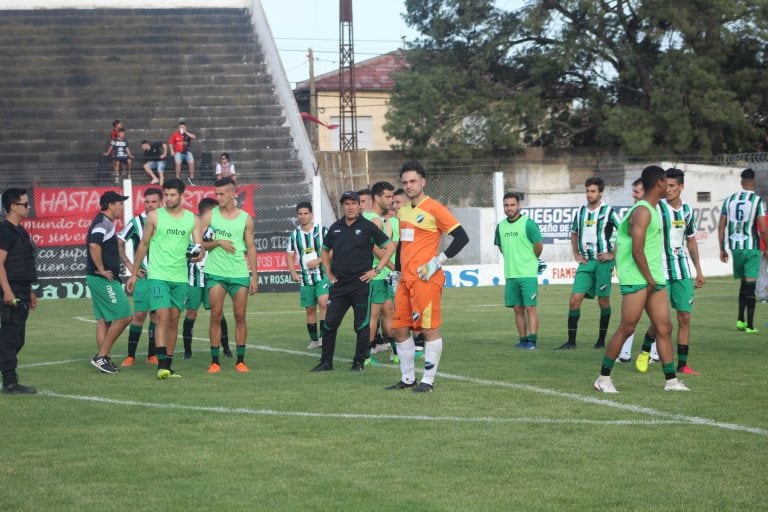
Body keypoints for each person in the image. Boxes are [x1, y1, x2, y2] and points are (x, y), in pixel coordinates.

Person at [593, 165, 689, 393]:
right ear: (659, 183)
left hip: (653, 278)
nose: (668, 185)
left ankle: (671, 381)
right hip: (638, 277)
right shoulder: (643, 211)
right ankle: (603, 379)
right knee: (627, 328)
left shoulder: (653, 209)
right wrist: (649, 279)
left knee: (664, 327)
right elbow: (637, 250)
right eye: (666, 181)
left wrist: (654, 279)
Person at [386, 160, 469, 393]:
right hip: (405, 280)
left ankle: (428, 381)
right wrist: (397, 271)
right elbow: (403, 243)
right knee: (399, 329)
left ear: (423, 182)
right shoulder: (402, 210)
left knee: (429, 328)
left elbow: (462, 238)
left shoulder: (435, 208)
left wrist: (437, 261)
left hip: (426, 279)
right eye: (405, 182)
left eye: (413, 181)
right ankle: (407, 379)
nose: (409, 185)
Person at [310, 191, 394, 372]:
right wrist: (328, 272)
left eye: (353, 203)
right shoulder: (335, 227)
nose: (350, 207)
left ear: (359, 205)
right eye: (346, 204)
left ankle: (359, 362)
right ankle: (326, 362)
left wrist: (377, 270)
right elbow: (325, 251)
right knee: (329, 322)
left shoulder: (368, 226)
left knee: (361, 325)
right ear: (342, 206)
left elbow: (389, 247)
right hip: (339, 285)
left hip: (360, 283)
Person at [127, 178, 202, 379]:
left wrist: (197, 254)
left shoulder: (192, 219)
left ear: (182, 195)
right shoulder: (154, 216)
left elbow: (199, 249)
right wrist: (133, 273)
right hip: (158, 276)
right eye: (166, 195)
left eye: (172, 195)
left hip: (180, 278)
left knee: (174, 320)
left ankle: (168, 364)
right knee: (162, 317)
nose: (168, 199)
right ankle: (162, 366)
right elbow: (143, 245)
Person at [635, 168, 705, 376]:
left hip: (682, 271)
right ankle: (646, 349)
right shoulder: (655, 209)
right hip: (660, 270)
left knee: (684, 317)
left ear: (681, 187)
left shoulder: (688, 211)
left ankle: (682, 364)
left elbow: (691, 241)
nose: (668, 189)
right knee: (661, 320)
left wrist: (699, 270)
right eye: (666, 184)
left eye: (673, 185)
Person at [200, 177, 259, 373]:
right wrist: (218, 242)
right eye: (216, 194)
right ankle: (214, 361)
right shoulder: (210, 216)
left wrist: (255, 276)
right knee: (215, 315)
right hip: (215, 272)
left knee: (240, 316)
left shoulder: (245, 218)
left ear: (234, 194)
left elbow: (251, 247)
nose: (218, 197)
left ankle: (240, 361)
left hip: (239, 273)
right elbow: (202, 244)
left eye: (222, 194)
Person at [558, 177, 620, 350]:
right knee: (574, 300)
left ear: (600, 193)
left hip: (602, 262)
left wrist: (612, 254)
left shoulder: (608, 211)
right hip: (585, 263)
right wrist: (576, 253)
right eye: (587, 191)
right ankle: (571, 342)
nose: (589, 194)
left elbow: (623, 232)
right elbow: (574, 233)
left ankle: (601, 341)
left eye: (593, 191)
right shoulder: (580, 211)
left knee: (603, 301)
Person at [86, 190, 134, 374]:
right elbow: (94, 244)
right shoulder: (103, 223)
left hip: (96, 278)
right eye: (120, 203)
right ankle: (101, 356)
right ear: (110, 204)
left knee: (104, 321)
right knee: (125, 316)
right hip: (103, 279)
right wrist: (100, 269)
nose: (122, 206)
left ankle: (103, 359)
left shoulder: (103, 222)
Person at [718, 168, 768, 333]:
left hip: (735, 247)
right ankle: (750, 325)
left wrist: (722, 248)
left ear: (741, 182)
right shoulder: (757, 201)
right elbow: (762, 228)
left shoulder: (729, 200)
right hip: (751, 246)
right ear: (753, 182)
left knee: (743, 284)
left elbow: (721, 225)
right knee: (750, 285)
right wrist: (767, 247)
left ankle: (740, 320)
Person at [117, 187, 163, 367]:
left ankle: (152, 355)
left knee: (157, 317)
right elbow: (120, 241)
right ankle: (130, 356)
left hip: (161, 276)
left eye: (154, 202)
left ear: (161, 202)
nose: (150, 205)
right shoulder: (136, 222)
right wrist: (130, 268)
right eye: (147, 201)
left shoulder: (166, 221)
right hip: (143, 278)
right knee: (139, 315)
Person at [182, 197, 232, 360]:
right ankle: (187, 351)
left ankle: (226, 347)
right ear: (207, 212)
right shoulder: (190, 230)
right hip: (193, 279)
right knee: (191, 313)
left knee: (218, 313)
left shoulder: (216, 230)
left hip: (212, 277)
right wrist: (190, 257)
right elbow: (184, 252)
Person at [0, 188, 38, 394]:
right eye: (25, 204)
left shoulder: (21, 231)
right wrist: (7, 291)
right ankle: (10, 382)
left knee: (18, 338)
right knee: (10, 336)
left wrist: (30, 291)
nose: (28, 207)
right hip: (11, 290)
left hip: (22, 289)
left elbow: (24, 263)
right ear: (13, 207)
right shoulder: (5, 230)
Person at [495, 192, 544, 350]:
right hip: (511, 274)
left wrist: (530, 260)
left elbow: (538, 245)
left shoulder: (528, 224)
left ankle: (532, 341)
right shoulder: (500, 227)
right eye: (506, 205)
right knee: (517, 309)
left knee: (530, 307)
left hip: (528, 274)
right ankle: (522, 340)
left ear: (519, 206)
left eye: (512, 205)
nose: (509, 208)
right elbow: (501, 248)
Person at [286, 201, 329, 349]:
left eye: (306, 213)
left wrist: (319, 260)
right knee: (310, 309)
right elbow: (290, 256)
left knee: (324, 303)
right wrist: (293, 273)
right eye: (300, 214)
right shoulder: (294, 235)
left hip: (322, 274)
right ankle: (314, 340)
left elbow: (332, 251)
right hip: (305, 277)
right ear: (297, 216)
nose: (303, 216)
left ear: (311, 215)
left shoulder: (322, 231)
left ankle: (324, 338)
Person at [168, 121, 197, 185]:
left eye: (183, 127)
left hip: (187, 151)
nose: (182, 128)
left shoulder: (188, 133)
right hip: (178, 152)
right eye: (181, 127)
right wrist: (172, 151)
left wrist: (185, 132)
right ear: (179, 128)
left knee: (191, 162)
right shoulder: (175, 134)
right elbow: (170, 143)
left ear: (185, 127)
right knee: (178, 163)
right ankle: (177, 178)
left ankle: (192, 178)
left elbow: (194, 137)